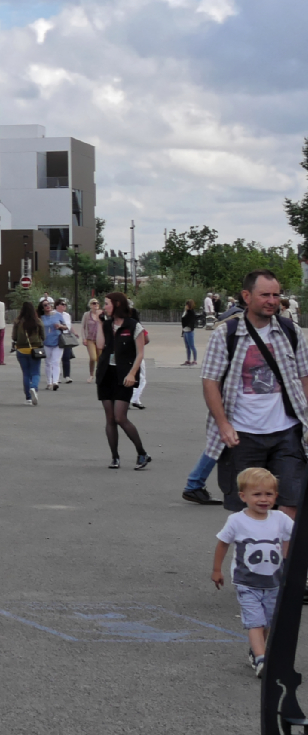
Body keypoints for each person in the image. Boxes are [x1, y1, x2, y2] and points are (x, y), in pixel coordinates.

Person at [203, 270, 305, 514]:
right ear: (247, 296)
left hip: (287, 433)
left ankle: (281, 554)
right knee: (248, 511)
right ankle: (254, 551)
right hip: (243, 434)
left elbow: (304, 376)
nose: (272, 300)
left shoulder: (290, 330)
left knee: (290, 504)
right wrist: (223, 424)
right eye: (265, 295)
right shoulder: (226, 334)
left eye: (276, 295)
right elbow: (210, 383)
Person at [212, 467, 292, 675]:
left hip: (274, 582)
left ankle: (256, 651)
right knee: (255, 622)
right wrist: (216, 570)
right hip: (247, 583)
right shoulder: (237, 521)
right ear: (243, 496)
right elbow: (223, 543)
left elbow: (295, 535)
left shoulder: (280, 519)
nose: (263, 499)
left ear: (276, 495)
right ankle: (261, 658)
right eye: (257, 494)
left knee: (268, 622)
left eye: (269, 494)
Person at [97, 291, 149, 470]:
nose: (104, 307)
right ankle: (115, 457)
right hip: (106, 374)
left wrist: (132, 374)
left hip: (124, 375)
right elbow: (100, 346)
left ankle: (142, 453)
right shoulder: (107, 324)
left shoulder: (133, 326)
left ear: (117, 304)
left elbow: (140, 353)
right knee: (110, 418)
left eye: (107, 303)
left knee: (120, 416)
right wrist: (99, 323)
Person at [12, 302, 44, 405]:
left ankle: (28, 398)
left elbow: (14, 337)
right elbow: (44, 336)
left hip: (21, 350)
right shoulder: (38, 321)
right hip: (35, 350)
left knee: (26, 373)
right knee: (35, 372)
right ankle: (34, 387)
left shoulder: (17, 322)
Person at [40, 299, 68, 391]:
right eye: (45, 305)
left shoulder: (57, 315)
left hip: (57, 341)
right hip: (46, 342)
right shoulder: (41, 317)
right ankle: (49, 382)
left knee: (56, 362)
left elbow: (66, 326)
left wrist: (60, 326)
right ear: (42, 308)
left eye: (49, 304)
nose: (48, 306)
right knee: (48, 363)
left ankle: (55, 382)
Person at [182, 301, 202, 365]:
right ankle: (188, 360)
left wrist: (189, 327)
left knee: (192, 346)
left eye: (186, 305)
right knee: (187, 346)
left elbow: (191, 321)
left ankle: (195, 360)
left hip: (189, 330)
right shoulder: (186, 312)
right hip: (185, 330)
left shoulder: (191, 312)